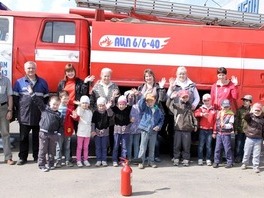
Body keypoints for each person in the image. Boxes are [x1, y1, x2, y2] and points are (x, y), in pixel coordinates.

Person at [13, 61, 49, 165]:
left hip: (38, 116)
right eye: (28, 68)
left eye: (32, 68)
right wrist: (19, 111)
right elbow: (15, 98)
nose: (31, 70)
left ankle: (37, 157)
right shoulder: (19, 82)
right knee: (23, 138)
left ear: (35, 69)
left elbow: (46, 99)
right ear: (25, 69)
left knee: (37, 138)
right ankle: (22, 157)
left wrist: (43, 112)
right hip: (24, 116)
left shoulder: (43, 82)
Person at [166, 66, 200, 158]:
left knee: (186, 137)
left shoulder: (191, 85)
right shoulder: (174, 84)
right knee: (175, 136)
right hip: (175, 112)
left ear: (186, 74)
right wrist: (171, 87)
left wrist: (194, 105)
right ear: (177, 75)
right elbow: (168, 96)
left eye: (183, 73)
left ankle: (185, 156)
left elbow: (197, 97)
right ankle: (174, 155)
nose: (182, 75)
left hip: (187, 112)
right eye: (180, 74)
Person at [27, 85, 62, 172]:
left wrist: (58, 133)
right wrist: (32, 93)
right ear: (49, 103)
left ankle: (51, 163)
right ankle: (41, 164)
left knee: (52, 150)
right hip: (44, 133)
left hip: (53, 134)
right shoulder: (44, 109)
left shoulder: (59, 115)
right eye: (54, 104)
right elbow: (37, 101)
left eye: (57, 105)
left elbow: (61, 125)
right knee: (42, 150)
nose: (55, 106)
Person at [137, 69, 166, 162]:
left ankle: (154, 157)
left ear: (153, 77)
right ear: (144, 78)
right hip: (145, 114)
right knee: (143, 141)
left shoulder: (157, 87)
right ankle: (142, 159)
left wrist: (161, 88)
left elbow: (162, 99)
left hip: (156, 112)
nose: (148, 78)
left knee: (154, 139)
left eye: (150, 76)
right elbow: (139, 102)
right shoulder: (141, 87)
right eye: (146, 76)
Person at [90, 67, 120, 155]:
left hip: (110, 115)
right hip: (99, 115)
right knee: (100, 134)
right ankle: (100, 154)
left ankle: (111, 151)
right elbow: (92, 101)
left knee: (110, 133)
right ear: (101, 76)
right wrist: (94, 112)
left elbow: (119, 102)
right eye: (104, 76)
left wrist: (115, 98)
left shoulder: (115, 86)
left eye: (108, 76)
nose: (106, 78)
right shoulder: (96, 86)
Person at [167, 90, 198, 167]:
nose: (184, 98)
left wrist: (195, 125)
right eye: (183, 97)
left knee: (186, 145)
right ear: (180, 97)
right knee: (177, 145)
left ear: (188, 97)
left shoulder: (190, 106)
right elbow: (168, 105)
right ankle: (176, 158)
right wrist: (171, 98)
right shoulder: (176, 106)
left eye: (186, 97)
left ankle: (186, 159)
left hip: (187, 129)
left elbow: (193, 117)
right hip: (178, 128)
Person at [137, 93, 164, 169]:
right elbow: (140, 104)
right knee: (143, 147)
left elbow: (161, 119)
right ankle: (141, 162)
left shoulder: (158, 110)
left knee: (152, 147)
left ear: (154, 101)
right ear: (146, 101)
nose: (150, 102)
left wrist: (158, 126)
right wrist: (144, 97)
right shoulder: (144, 108)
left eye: (151, 101)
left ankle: (151, 162)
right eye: (148, 101)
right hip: (145, 129)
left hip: (153, 131)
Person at [241, 103, 264, 173]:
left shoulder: (263, 119)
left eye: (258, 110)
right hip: (249, 138)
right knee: (247, 152)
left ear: (261, 111)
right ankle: (245, 163)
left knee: (256, 154)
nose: (257, 112)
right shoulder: (250, 117)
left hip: (259, 139)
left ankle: (256, 166)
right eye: (255, 110)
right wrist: (250, 111)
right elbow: (245, 116)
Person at [194, 93, 216, 166]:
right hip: (202, 130)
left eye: (208, 100)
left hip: (210, 130)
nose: (206, 102)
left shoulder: (213, 109)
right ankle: (200, 159)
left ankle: (208, 159)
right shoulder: (201, 108)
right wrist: (202, 114)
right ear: (202, 101)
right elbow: (195, 113)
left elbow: (215, 121)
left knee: (208, 146)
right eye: (204, 100)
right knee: (201, 145)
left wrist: (214, 132)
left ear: (211, 100)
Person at [91, 97, 114, 167]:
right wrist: (93, 131)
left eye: (103, 105)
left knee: (104, 147)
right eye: (99, 106)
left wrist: (108, 108)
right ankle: (98, 160)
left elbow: (111, 114)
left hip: (105, 132)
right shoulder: (95, 113)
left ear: (105, 105)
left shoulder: (107, 112)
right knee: (98, 147)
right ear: (97, 106)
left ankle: (104, 160)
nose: (101, 107)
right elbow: (93, 123)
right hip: (97, 132)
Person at [111, 95, 132, 167]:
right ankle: (114, 160)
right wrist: (113, 97)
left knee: (124, 147)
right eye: (120, 104)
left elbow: (131, 102)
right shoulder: (116, 109)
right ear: (117, 104)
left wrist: (130, 96)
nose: (121, 106)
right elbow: (112, 104)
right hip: (117, 131)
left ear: (126, 105)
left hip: (125, 131)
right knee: (116, 146)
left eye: (123, 104)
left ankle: (123, 160)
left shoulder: (128, 109)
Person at [212, 99, 234, 168]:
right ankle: (216, 162)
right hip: (219, 133)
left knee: (227, 148)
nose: (225, 108)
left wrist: (225, 126)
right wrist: (214, 132)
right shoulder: (219, 113)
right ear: (221, 106)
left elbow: (231, 125)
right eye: (224, 106)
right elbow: (216, 123)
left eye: (227, 107)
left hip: (226, 134)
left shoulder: (231, 114)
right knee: (217, 148)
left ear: (229, 106)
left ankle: (229, 162)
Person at [0, 65, 15, 165]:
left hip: (3, 108)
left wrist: (10, 110)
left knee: (5, 133)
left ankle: (8, 157)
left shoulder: (6, 80)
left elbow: (10, 95)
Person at [55, 91, 75, 168]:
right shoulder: (57, 108)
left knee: (67, 147)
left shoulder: (70, 108)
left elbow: (75, 118)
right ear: (60, 98)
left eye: (67, 98)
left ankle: (67, 160)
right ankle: (58, 161)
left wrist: (75, 115)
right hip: (59, 130)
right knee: (58, 147)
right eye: (64, 99)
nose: (66, 100)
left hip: (68, 130)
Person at [74, 95, 93, 167]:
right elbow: (79, 113)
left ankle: (85, 159)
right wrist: (79, 106)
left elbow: (90, 122)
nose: (85, 104)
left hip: (87, 132)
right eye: (83, 103)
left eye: (86, 103)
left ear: (88, 104)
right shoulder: (80, 110)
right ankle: (78, 160)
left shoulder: (90, 112)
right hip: (81, 132)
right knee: (79, 147)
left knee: (86, 147)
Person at [234, 94, 252, 163]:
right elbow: (236, 120)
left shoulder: (253, 110)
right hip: (240, 130)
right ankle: (238, 157)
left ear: (250, 102)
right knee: (238, 144)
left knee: (247, 145)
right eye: (244, 100)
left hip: (249, 131)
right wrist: (235, 129)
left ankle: (245, 158)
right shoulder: (240, 110)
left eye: (246, 101)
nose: (244, 102)